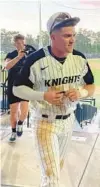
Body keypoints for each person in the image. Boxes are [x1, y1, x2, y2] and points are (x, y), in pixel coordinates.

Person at [13, 12, 95, 187]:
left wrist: (80, 93)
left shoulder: (79, 58)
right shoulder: (36, 59)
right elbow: (17, 88)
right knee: (52, 179)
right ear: (52, 37)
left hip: (68, 121)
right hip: (45, 122)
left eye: (74, 35)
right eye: (66, 35)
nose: (72, 40)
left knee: (57, 168)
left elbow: (91, 86)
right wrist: (43, 95)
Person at [4, 34, 36, 142]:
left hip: (25, 85)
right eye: (18, 43)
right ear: (14, 44)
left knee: (25, 108)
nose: (21, 45)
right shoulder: (11, 54)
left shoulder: (31, 52)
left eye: (23, 42)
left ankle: (20, 123)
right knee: (13, 111)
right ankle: (13, 132)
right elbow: (7, 66)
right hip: (12, 85)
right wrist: (18, 57)